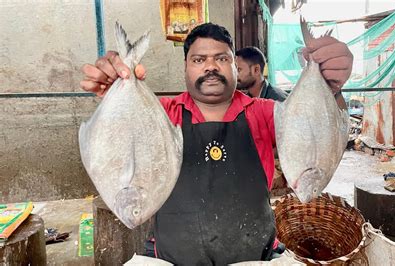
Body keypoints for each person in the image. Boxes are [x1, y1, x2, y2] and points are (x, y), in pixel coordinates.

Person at [80, 22, 352, 265]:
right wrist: (115, 87)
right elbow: (121, 134)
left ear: (235, 66)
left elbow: (316, 128)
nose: (211, 66)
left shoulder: (265, 112)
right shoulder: (161, 114)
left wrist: (332, 88)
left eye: (222, 58)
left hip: (256, 257)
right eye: (199, 59)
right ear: (185, 66)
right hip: (172, 258)